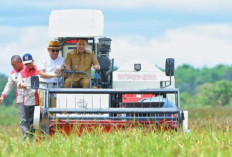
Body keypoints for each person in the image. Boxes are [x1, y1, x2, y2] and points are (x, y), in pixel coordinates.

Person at [17, 53, 39, 140]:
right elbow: (19, 82)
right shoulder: (22, 73)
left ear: (33, 61)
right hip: (27, 101)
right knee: (28, 122)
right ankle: (29, 140)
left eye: (29, 63)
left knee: (37, 122)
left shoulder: (38, 70)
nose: (28, 65)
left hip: (38, 101)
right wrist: (21, 84)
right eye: (26, 64)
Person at [37, 41, 64, 107]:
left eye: (57, 50)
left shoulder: (62, 59)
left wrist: (61, 73)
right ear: (48, 50)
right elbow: (41, 74)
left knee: (54, 109)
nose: (55, 52)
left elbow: (65, 74)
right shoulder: (42, 58)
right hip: (44, 87)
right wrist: (55, 75)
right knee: (43, 109)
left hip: (56, 87)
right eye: (53, 50)